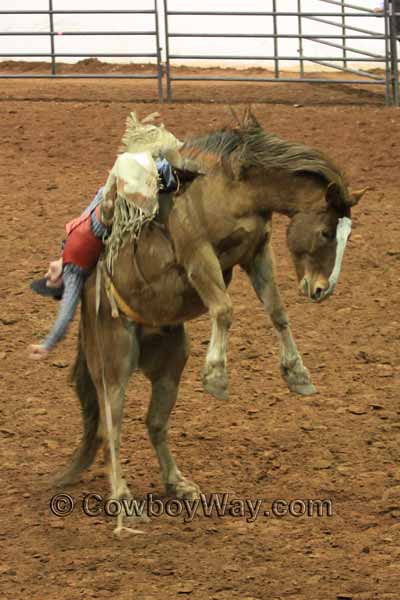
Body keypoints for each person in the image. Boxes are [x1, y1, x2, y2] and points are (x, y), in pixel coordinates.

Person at [28, 155, 178, 361]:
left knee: (124, 168)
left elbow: (88, 210)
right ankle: (165, 171)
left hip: (105, 201)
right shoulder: (73, 273)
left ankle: (159, 163)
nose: (47, 270)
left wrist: (104, 191)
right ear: (57, 283)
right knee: (127, 179)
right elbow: (66, 315)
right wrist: (48, 344)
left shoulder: (67, 248)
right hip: (113, 215)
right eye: (47, 278)